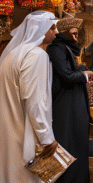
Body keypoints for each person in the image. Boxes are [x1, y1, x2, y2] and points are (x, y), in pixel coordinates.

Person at [0, 11, 59, 182]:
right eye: (52, 28)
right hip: (24, 131)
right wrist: (46, 137)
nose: (55, 32)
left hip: (8, 129)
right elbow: (35, 100)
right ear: (40, 29)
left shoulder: (12, 55)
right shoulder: (35, 55)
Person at [47, 17, 92, 183]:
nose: (75, 38)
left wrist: (80, 69)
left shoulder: (65, 49)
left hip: (73, 102)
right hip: (65, 104)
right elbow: (66, 76)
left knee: (77, 142)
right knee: (68, 144)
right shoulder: (56, 49)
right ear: (64, 34)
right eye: (72, 34)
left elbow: (68, 71)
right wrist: (84, 75)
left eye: (77, 34)